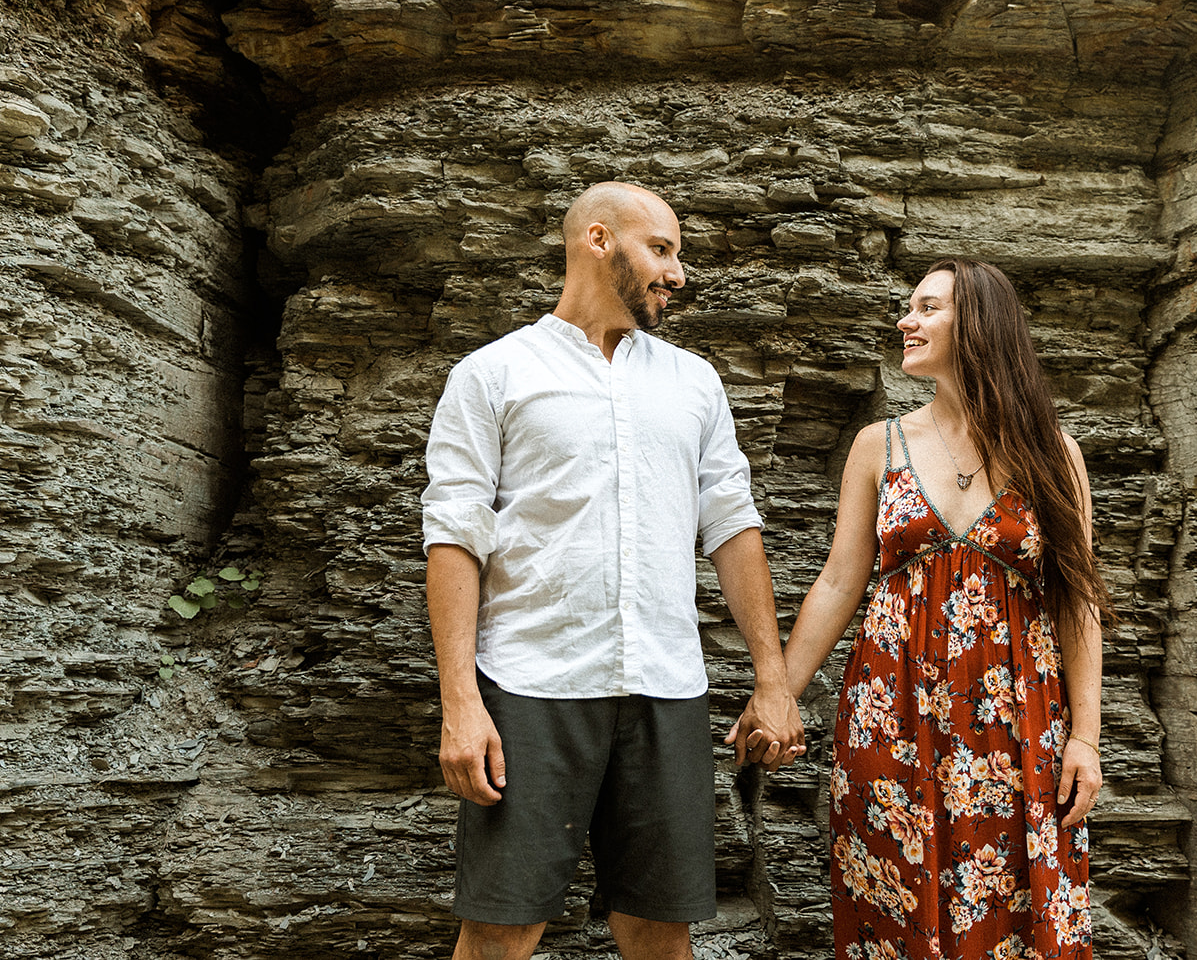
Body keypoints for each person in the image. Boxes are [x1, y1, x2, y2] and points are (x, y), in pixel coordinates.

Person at [421, 181, 805, 960]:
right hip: (531, 687)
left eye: (678, 255)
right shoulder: (492, 374)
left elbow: (732, 526)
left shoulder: (693, 382)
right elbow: (454, 538)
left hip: (666, 686)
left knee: (660, 927)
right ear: (598, 240)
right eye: (661, 249)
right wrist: (460, 700)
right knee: (499, 926)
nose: (678, 272)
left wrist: (773, 678)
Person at [781, 259, 1114, 960]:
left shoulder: (1054, 453)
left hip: (1017, 723)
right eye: (911, 307)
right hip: (890, 718)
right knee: (893, 907)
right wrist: (776, 694)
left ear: (980, 324)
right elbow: (840, 583)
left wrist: (1084, 736)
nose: (906, 320)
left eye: (927, 307)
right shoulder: (881, 444)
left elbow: (1076, 600)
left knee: (1019, 910)